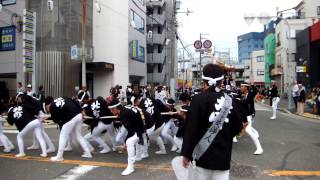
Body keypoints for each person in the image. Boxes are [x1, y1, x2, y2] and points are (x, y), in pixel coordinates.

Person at [174, 64, 244, 180]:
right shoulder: (230, 100)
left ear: (203, 80)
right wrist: (223, 136)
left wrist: (186, 154)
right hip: (223, 157)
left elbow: (191, 129)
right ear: (221, 81)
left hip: (202, 157)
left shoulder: (197, 99)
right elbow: (238, 127)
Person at [44, 96, 93, 161]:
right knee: (78, 136)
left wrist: (47, 119)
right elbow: (74, 101)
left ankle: (59, 156)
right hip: (78, 115)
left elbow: (55, 120)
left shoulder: (52, 106)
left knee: (63, 136)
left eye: (47, 109)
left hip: (71, 117)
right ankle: (88, 153)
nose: (48, 111)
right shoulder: (62, 98)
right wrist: (81, 110)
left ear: (48, 105)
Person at [108, 99, 145, 176]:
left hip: (144, 125)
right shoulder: (124, 110)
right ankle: (136, 157)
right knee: (130, 141)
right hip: (142, 123)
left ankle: (130, 167)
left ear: (115, 109)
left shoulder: (124, 114)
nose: (111, 112)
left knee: (129, 142)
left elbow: (131, 131)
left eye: (111, 110)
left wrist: (125, 143)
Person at [240, 83, 263, 155]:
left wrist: (252, 85)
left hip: (250, 114)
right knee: (249, 126)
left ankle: (259, 148)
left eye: (242, 86)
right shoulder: (243, 95)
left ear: (246, 88)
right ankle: (256, 133)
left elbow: (255, 91)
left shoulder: (250, 94)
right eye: (241, 86)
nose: (240, 88)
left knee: (247, 129)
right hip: (246, 114)